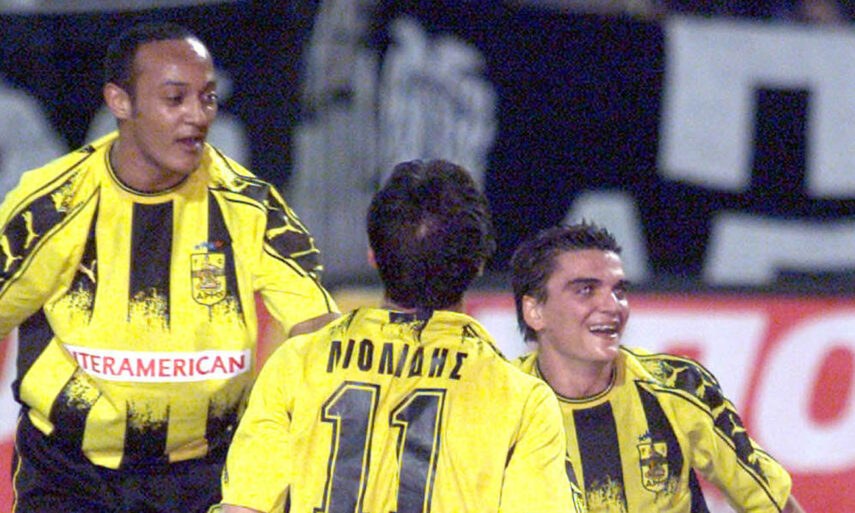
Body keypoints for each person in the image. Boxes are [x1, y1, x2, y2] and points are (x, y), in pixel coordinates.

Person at [0, 22, 338, 513]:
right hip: (69, 475)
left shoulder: (250, 207)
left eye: (207, 98)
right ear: (120, 102)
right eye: (175, 99)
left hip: (207, 475)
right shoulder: (51, 206)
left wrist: (261, 478)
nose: (197, 116)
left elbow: (319, 334)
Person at [216, 159, 585, 513]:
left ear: (373, 256)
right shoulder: (521, 400)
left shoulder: (296, 364)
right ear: (479, 264)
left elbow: (244, 508)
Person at [510, 222, 806, 513]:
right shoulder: (503, 404)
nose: (612, 306)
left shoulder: (677, 387)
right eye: (586, 290)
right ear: (535, 311)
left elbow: (771, 503)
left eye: (619, 291)